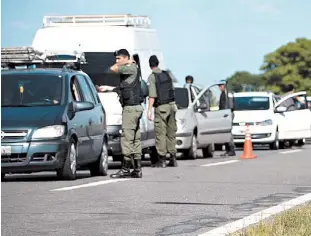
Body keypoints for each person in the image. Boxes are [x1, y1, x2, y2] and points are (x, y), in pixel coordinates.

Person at [98, 49, 144, 178]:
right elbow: (125, 87)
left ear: (125, 58)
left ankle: (125, 169)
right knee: (135, 139)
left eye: (119, 58)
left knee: (126, 139)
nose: (116, 61)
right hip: (135, 108)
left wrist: (125, 62)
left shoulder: (129, 67)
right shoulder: (132, 69)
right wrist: (109, 88)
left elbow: (112, 69)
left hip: (130, 109)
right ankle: (137, 169)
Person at [147, 55, 178, 168]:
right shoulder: (167, 74)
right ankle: (173, 158)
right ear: (158, 63)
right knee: (171, 133)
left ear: (150, 65)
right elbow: (173, 90)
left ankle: (162, 160)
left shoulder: (152, 77)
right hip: (172, 106)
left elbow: (152, 95)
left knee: (160, 133)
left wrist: (149, 110)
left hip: (161, 107)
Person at [218, 81, 236, 156]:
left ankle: (231, 149)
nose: (219, 87)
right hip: (224, 114)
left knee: (228, 132)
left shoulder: (228, 93)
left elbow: (230, 105)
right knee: (225, 132)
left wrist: (226, 113)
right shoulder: (223, 93)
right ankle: (227, 149)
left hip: (227, 114)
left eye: (221, 86)